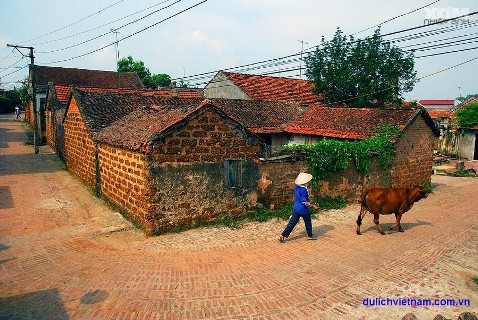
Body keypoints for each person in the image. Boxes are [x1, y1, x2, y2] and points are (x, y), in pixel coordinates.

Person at [279, 172, 319, 243]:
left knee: (292, 223)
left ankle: (283, 235)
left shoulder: (296, 188)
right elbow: (304, 201)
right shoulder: (304, 189)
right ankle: (310, 236)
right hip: (303, 209)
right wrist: (312, 205)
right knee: (308, 222)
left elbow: (297, 197)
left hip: (296, 208)